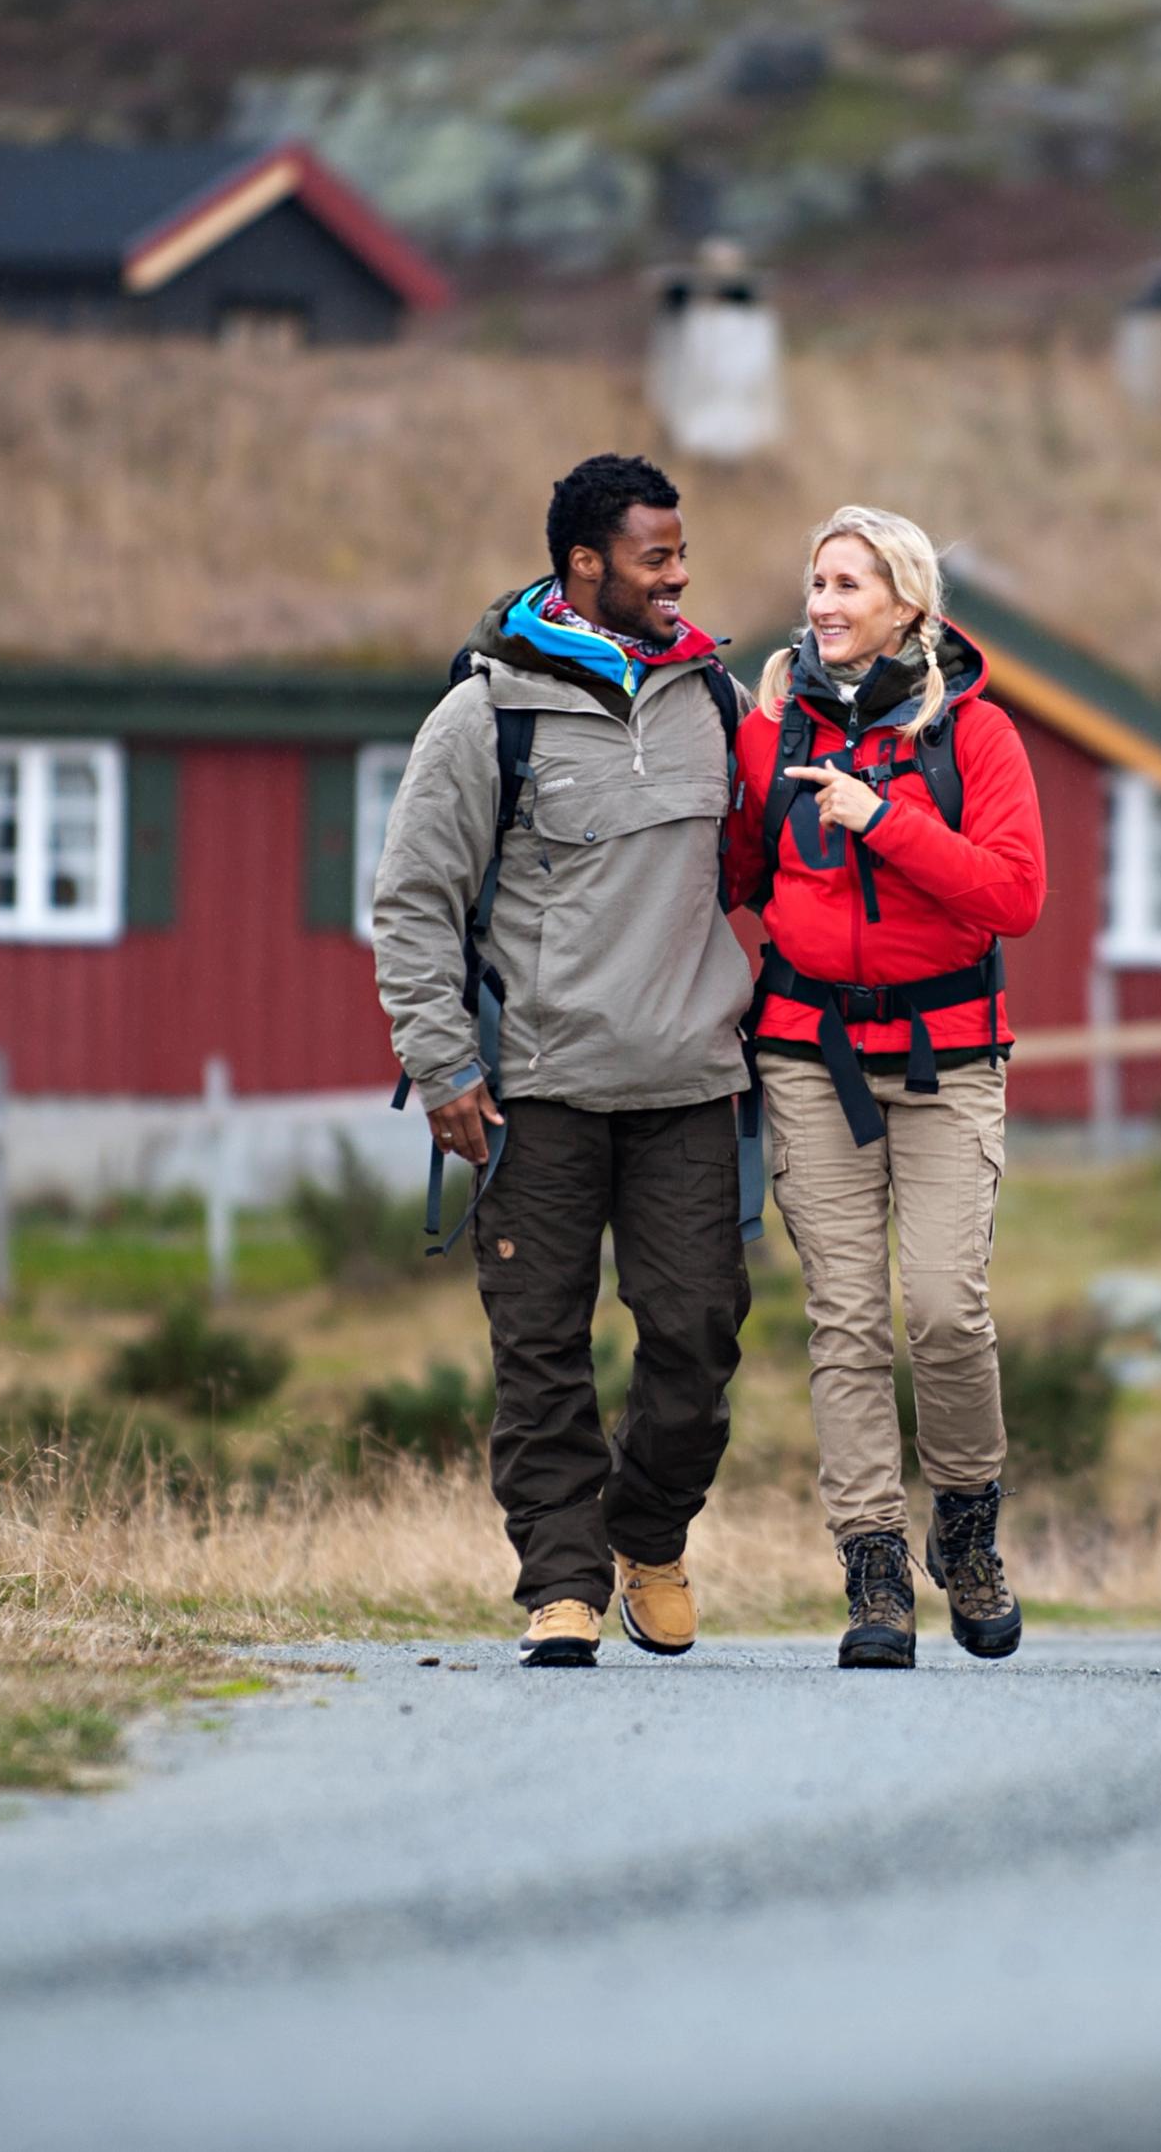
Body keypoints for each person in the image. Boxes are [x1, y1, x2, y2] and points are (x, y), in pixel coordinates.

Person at [371, 453, 757, 1669]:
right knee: (539, 1348)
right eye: (657, 556)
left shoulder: (718, 699)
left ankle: (648, 1532)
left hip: (691, 1081)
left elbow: (764, 871)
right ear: (583, 565)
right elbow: (413, 903)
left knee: (698, 1338)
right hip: (532, 1090)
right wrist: (443, 1067)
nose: (679, 574)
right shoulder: (484, 716)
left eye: (682, 552)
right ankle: (563, 1581)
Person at [726, 506, 1048, 1669]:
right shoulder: (766, 731)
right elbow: (737, 874)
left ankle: (964, 1533)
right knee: (847, 1318)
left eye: (848, 582)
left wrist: (887, 820)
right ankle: (872, 1568)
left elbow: (1012, 896)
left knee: (946, 1310)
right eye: (815, 580)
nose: (822, 602)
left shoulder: (980, 735)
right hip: (808, 1054)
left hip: (950, 1055)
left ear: (906, 603)